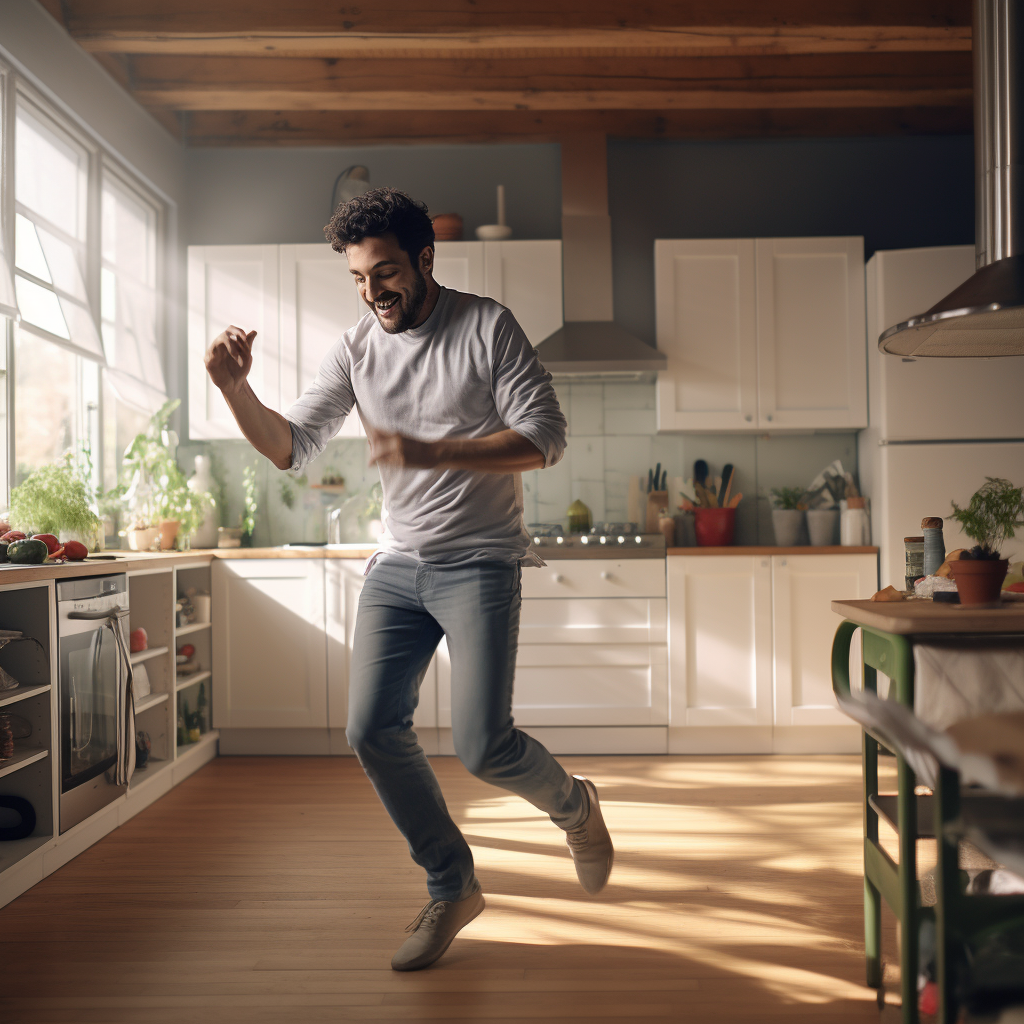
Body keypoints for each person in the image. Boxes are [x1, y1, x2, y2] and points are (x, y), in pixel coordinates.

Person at [203, 186, 613, 972]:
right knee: (370, 729)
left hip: (482, 559)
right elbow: (289, 447)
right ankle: (452, 885)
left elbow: (545, 436)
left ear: (426, 259)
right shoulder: (357, 346)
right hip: (398, 565)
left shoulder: (486, 326)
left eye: (385, 271)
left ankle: (575, 807)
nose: (373, 291)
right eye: (358, 278)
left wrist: (439, 451)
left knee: (484, 747)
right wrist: (233, 388)